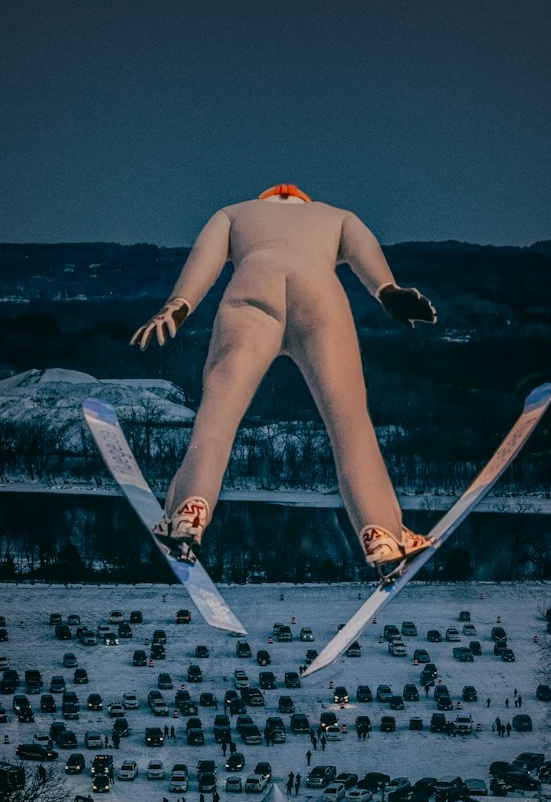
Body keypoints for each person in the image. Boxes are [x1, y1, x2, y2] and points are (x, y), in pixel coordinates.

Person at [131, 184, 436, 568]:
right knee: (350, 425)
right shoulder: (335, 215)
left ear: (265, 200)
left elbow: (205, 259)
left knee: (219, 414)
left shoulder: (234, 212)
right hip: (320, 294)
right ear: (303, 201)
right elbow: (365, 253)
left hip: (252, 285)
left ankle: (190, 509)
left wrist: (178, 304)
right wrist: (386, 290)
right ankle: (382, 534)